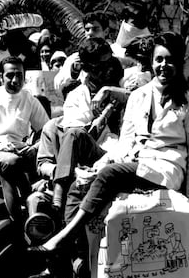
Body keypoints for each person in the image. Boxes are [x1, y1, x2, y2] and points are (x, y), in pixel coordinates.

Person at [35, 32, 189, 253]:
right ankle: (77, 258)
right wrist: (98, 166)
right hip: (136, 162)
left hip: (166, 168)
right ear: (152, 62)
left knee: (109, 175)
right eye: (159, 60)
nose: (163, 66)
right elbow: (125, 143)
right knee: (79, 186)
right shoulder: (138, 96)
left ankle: (66, 236)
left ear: (179, 63)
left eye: (170, 60)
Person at [33, 39, 126, 233]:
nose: (108, 69)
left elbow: (144, 94)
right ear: (88, 68)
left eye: (110, 63)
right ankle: (58, 200)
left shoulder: (120, 89)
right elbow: (82, 136)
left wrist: (111, 93)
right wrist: (105, 113)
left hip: (117, 157)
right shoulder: (75, 97)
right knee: (75, 135)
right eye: (101, 65)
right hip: (87, 160)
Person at [0, 56, 50, 218]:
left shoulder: (28, 99)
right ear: (0, 77)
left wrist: (35, 147)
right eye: (10, 75)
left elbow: (46, 130)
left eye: (19, 75)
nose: (15, 80)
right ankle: (21, 214)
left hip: (18, 150)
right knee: (11, 163)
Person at [54, 12, 110, 96]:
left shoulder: (117, 54)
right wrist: (74, 73)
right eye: (87, 30)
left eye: (95, 29)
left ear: (106, 31)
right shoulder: (73, 59)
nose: (90, 33)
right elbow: (57, 86)